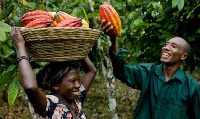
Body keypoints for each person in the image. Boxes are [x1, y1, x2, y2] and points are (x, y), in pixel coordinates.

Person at [96, 18, 200, 119]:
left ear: (183, 56)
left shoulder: (192, 88)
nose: (166, 48)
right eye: (166, 44)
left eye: (174, 46)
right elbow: (121, 71)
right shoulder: (149, 72)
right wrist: (113, 40)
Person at [10, 27, 96, 118]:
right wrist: (20, 45)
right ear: (56, 85)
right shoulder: (49, 105)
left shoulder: (77, 99)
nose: (78, 85)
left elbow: (91, 71)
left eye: (78, 80)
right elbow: (31, 87)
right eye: (72, 81)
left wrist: (77, 46)